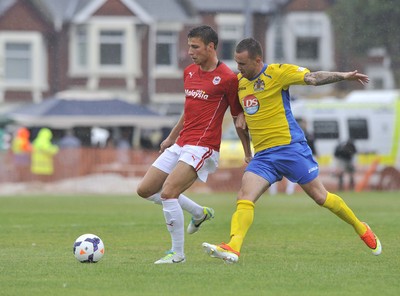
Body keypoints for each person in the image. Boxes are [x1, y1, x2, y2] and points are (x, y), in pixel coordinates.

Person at [202, 37, 381, 263]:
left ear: (258, 60)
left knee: (320, 197)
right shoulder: (240, 83)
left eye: (243, 64)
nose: (239, 68)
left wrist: (343, 75)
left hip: (290, 148)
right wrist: (247, 150)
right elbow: (239, 121)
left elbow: (313, 78)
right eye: (237, 63)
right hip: (264, 156)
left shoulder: (278, 73)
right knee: (245, 197)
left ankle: (360, 227)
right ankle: (233, 247)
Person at [136, 26, 251, 264]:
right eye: (189, 46)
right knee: (145, 190)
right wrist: (171, 138)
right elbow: (188, 111)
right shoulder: (189, 72)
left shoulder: (228, 79)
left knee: (168, 193)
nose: (189, 52)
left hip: (204, 146)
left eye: (195, 47)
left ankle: (177, 254)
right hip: (182, 142)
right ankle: (199, 212)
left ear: (211, 47)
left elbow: (239, 119)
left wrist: (247, 151)